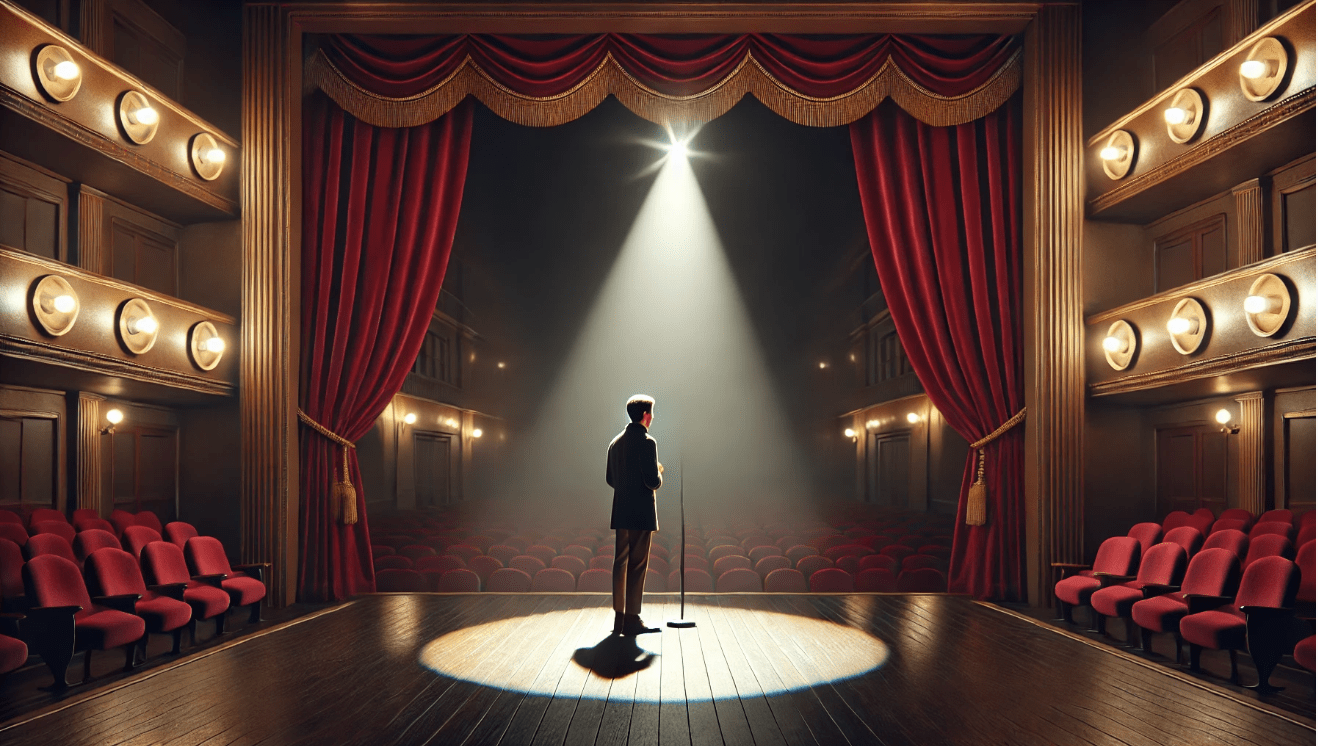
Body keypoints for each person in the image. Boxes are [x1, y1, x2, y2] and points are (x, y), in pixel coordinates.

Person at [606, 394, 664, 636]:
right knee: (637, 566)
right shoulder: (647, 442)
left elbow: (610, 479)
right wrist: (659, 472)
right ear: (645, 415)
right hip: (641, 512)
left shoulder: (615, 442)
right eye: (651, 413)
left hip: (621, 511)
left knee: (620, 563)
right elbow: (653, 482)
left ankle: (619, 619)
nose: (652, 417)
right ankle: (632, 618)